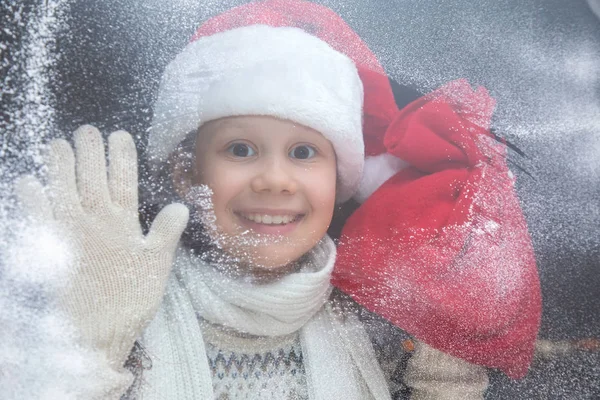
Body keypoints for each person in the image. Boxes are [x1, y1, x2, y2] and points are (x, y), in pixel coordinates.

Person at [14, 1, 541, 399]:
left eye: (305, 152)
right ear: (185, 171)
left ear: (340, 181)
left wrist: (445, 368)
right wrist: (84, 355)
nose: (275, 180)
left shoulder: (376, 332)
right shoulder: (119, 304)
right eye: (240, 149)